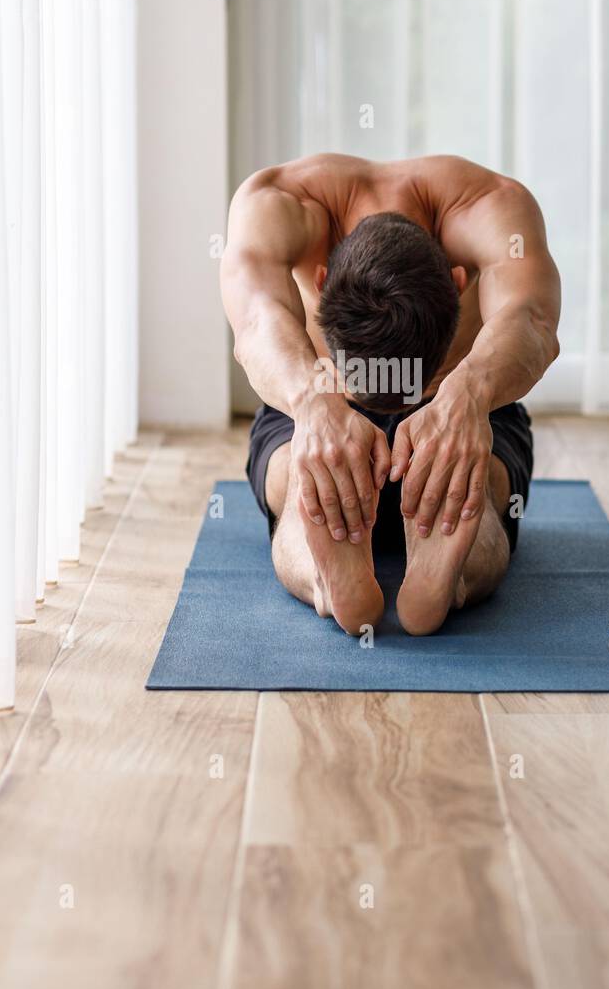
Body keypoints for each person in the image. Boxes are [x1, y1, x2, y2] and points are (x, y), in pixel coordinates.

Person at [220, 154, 560, 636]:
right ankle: (453, 570)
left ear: (454, 283)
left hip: (457, 407)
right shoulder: (275, 204)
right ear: (324, 280)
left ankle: (338, 564)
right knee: (468, 492)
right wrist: (314, 405)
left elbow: (532, 319)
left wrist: (467, 394)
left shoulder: (494, 208)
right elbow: (257, 321)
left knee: (305, 484)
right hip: (322, 402)